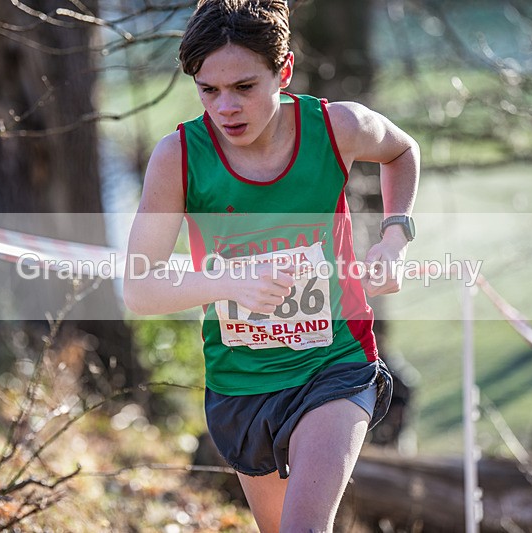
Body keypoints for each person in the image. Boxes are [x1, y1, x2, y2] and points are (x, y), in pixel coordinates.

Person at [123, 1, 420, 531]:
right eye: (208, 90)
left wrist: (395, 239)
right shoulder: (179, 158)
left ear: (282, 72)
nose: (226, 107)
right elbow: (139, 288)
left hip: (336, 361)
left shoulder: (337, 127)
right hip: (243, 382)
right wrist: (228, 281)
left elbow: (402, 151)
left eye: (244, 87)